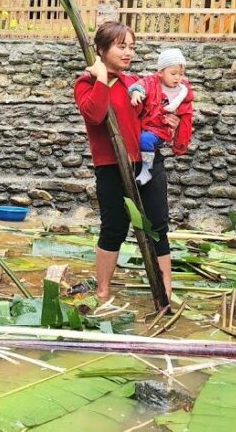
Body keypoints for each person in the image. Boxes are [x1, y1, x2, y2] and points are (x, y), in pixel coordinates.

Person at [74, 21, 173, 303]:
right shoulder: (86, 83)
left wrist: (168, 122)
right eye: (121, 46)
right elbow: (94, 115)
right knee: (114, 228)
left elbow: (151, 117)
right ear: (101, 50)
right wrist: (102, 78)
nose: (128, 52)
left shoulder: (134, 84)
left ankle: (165, 292)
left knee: (157, 226)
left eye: (131, 47)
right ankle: (103, 291)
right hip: (110, 166)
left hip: (146, 164)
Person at [127, 48, 194, 185]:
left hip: (162, 130)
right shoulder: (152, 82)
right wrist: (136, 92)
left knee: (145, 140)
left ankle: (146, 171)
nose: (177, 78)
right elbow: (141, 85)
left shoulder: (183, 94)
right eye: (173, 73)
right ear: (160, 72)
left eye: (181, 74)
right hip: (145, 124)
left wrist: (179, 145)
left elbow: (186, 121)